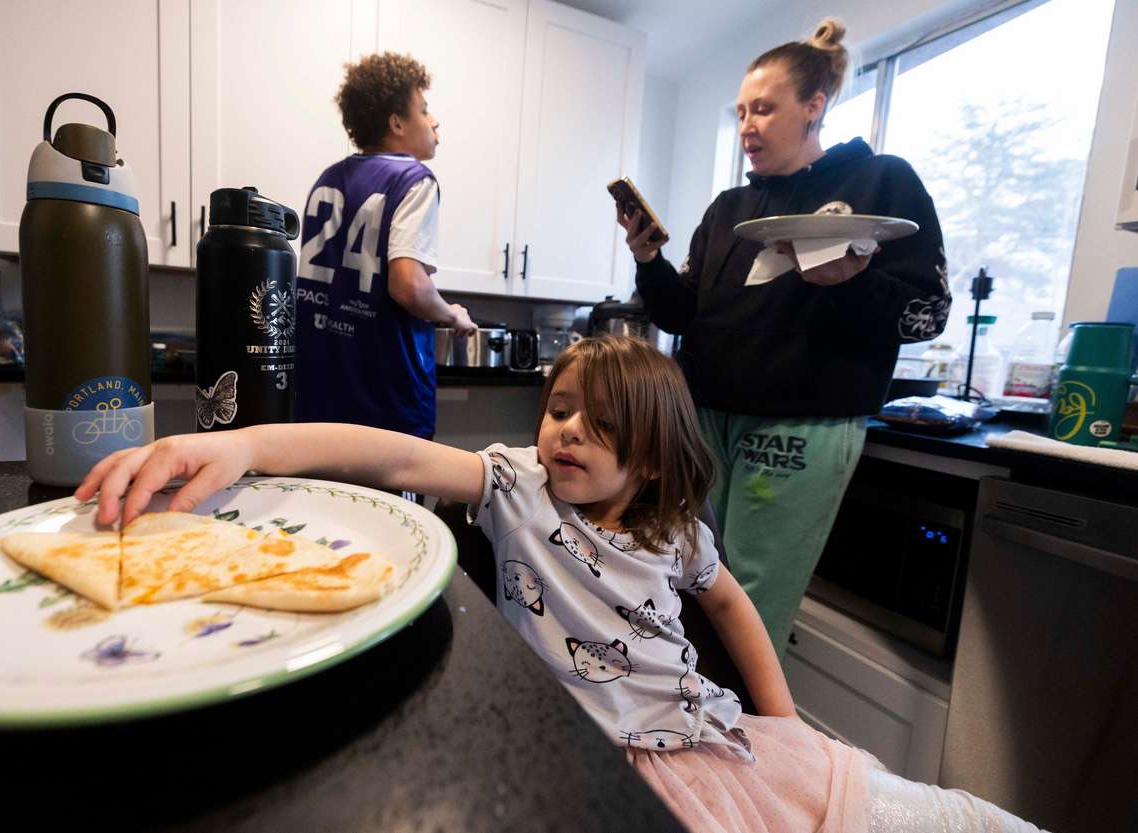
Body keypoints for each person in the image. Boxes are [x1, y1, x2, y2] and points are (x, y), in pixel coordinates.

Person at [78, 336, 1043, 833]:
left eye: (601, 420)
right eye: (561, 407)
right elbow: (388, 455)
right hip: (601, 761)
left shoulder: (674, 530)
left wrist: (780, 713)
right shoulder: (514, 487)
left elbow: (731, 603)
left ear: (657, 460)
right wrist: (241, 442)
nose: (567, 428)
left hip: (715, 744)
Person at [618, 18, 951, 658]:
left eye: (764, 109)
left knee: (750, 600)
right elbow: (684, 315)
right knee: (684, 579)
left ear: (814, 106)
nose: (747, 124)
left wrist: (850, 280)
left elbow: (928, 313)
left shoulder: (880, 182)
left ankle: (740, 743)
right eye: (741, 111)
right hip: (705, 418)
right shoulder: (729, 210)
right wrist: (648, 261)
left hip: (800, 427)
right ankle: (682, 720)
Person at [296, 52, 476, 442]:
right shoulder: (413, 178)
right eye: (424, 110)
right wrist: (452, 315)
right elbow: (408, 285)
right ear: (396, 122)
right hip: (386, 408)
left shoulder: (328, 179)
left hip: (318, 403)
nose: (435, 120)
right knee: (392, 505)